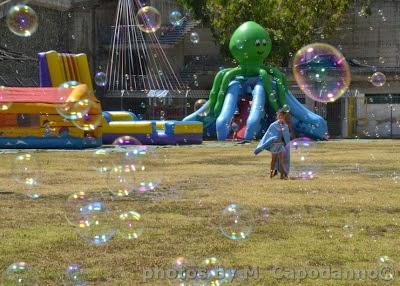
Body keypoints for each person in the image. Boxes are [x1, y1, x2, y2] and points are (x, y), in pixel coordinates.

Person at [254, 107, 291, 180]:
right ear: (277, 116)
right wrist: (272, 139)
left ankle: (283, 175)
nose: (280, 117)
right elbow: (268, 135)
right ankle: (271, 174)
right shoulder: (273, 125)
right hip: (274, 145)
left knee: (282, 160)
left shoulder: (285, 126)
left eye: (282, 116)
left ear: (284, 116)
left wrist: (286, 144)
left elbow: (286, 137)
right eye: (279, 115)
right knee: (273, 160)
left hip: (281, 145)